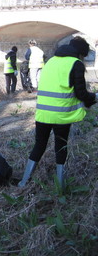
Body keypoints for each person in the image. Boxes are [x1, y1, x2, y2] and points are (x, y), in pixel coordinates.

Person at [18, 36, 97, 189]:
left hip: (42, 114)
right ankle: (60, 186)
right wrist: (94, 97)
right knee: (61, 147)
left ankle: (23, 182)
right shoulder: (76, 64)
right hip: (61, 115)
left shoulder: (51, 61)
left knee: (39, 145)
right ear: (81, 53)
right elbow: (81, 94)